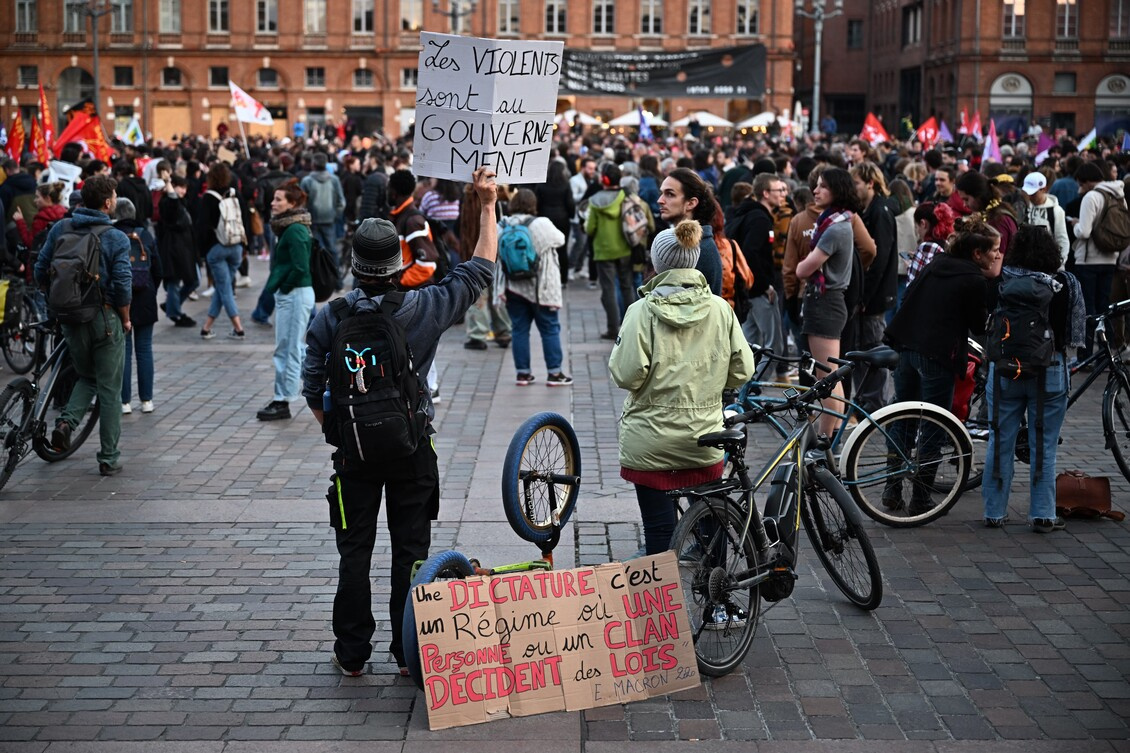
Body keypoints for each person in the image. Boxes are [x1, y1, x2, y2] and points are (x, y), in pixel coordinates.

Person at [301, 167, 499, 678]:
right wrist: (488, 203)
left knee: (354, 553)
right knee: (411, 552)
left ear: (354, 264)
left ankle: (351, 654)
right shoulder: (425, 307)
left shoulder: (330, 315)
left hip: (353, 454)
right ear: (399, 262)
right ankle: (408, 654)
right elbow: (480, 268)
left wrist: (336, 429)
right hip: (413, 447)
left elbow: (310, 386)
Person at [609, 219, 754, 563]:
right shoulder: (720, 309)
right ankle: (719, 602)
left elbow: (627, 375)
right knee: (713, 520)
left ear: (657, 264)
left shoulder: (641, 311)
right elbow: (743, 370)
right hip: (703, 437)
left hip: (650, 439)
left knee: (658, 531)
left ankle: (660, 609)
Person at [883, 218, 998, 514]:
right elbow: (978, 324)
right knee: (935, 422)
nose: (998, 255)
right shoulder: (973, 279)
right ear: (976, 253)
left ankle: (891, 488)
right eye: (994, 250)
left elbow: (910, 297)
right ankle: (921, 496)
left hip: (906, 345)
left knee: (903, 417)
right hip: (936, 355)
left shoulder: (938, 264)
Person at [982, 224, 1085, 532]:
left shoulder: (1001, 280)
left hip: (1004, 370)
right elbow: (1074, 334)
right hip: (1049, 370)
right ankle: (1042, 514)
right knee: (1045, 445)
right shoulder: (1065, 283)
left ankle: (993, 511)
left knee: (999, 441)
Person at [33, 174, 132, 477]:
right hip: (104, 319)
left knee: (86, 374)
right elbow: (123, 284)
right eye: (113, 196)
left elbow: (40, 268)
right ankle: (109, 457)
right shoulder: (116, 237)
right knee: (110, 389)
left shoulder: (62, 227)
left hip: (70, 318)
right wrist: (125, 317)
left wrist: (56, 301)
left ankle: (66, 423)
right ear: (106, 202)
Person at [795, 167, 862, 437]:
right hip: (828, 302)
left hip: (825, 303)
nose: (815, 190)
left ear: (837, 190)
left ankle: (824, 437)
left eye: (822, 186)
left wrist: (803, 264)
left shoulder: (836, 228)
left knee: (827, 378)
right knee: (831, 375)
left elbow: (803, 270)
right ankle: (830, 434)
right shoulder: (836, 222)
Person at [498, 189, 571, 386]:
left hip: (513, 286)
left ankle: (523, 373)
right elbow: (561, 239)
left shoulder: (502, 225)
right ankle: (554, 373)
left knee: (519, 329)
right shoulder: (541, 224)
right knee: (549, 328)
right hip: (541, 287)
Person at [257, 180, 315, 422]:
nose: (273, 202)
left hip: (295, 294)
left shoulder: (295, 230)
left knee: (287, 349)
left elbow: (301, 267)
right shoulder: (289, 228)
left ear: (292, 203)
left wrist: (285, 286)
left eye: (279, 199)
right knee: (293, 348)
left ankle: (283, 400)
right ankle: (322, 380)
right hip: (291, 294)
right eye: (274, 198)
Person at [850, 161, 900, 414]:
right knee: (863, 348)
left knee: (871, 348)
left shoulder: (880, 211)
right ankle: (866, 401)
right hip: (869, 294)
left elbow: (879, 259)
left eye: (856, 182)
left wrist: (865, 296)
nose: (853, 187)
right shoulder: (870, 209)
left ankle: (876, 404)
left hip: (875, 295)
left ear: (870, 183)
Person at [1070, 161, 1125, 361]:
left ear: (1085, 181)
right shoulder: (1118, 195)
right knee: (1105, 307)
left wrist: (1075, 224)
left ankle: (1085, 355)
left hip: (1088, 261)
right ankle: (1106, 353)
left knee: (1087, 308)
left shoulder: (1091, 197)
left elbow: (1083, 231)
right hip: (1111, 258)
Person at [726, 173, 786, 353]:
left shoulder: (747, 214)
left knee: (750, 344)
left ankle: (748, 381)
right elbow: (751, 254)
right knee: (773, 348)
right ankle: (759, 380)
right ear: (766, 193)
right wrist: (764, 285)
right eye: (779, 190)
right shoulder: (759, 219)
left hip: (746, 290)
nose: (783, 194)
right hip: (758, 291)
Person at [114, 198, 163, 415]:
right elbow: (158, 269)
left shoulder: (111, 235)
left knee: (123, 351)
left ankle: (124, 401)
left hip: (119, 298)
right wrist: (150, 287)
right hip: (145, 296)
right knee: (144, 349)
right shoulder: (144, 234)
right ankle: (147, 400)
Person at [585, 163, 636, 340]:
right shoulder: (626, 196)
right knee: (627, 286)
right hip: (625, 248)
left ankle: (613, 328)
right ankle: (630, 326)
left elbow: (590, 229)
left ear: (604, 179)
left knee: (608, 290)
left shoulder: (595, 200)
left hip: (603, 251)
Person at [197, 161, 246, 340]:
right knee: (223, 286)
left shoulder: (208, 198)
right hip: (236, 247)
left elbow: (202, 227)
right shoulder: (235, 194)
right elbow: (244, 220)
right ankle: (206, 327)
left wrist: (203, 251)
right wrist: (244, 246)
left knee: (224, 288)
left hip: (217, 249)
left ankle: (239, 328)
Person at [460, 183, 511, 351]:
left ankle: (477, 334)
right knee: (496, 291)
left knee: (478, 292)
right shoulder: (497, 193)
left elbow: (463, 227)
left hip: (475, 250)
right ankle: (503, 330)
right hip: (494, 249)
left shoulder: (469, 196)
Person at [657, 167, 724, 296]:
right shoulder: (677, 242)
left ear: (691, 203)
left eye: (670, 194)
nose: (660, 200)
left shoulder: (701, 249)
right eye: (662, 193)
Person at [156, 174, 198, 327]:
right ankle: (175, 312)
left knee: (193, 281)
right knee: (174, 281)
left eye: (185, 187)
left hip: (185, 249)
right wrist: (168, 184)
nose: (183, 191)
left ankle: (171, 306)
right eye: (180, 187)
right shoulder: (168, 203)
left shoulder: (182, 203)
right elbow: (173, 202)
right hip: (173, 249)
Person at [300, 152, 347, 287]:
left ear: (313, 164)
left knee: (312, 252)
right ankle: (337, 282)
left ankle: (316, 282)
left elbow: (302, 204)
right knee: (332, 251)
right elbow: (341, 202)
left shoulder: (307, 181)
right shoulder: (334, 179)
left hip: (312, 221)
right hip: (329, 221)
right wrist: (335, 216)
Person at [956, 170, 1019, 257]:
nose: (964, 204)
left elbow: (994, 269)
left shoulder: (998, 220)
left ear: (979, 196)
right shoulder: (990, 215)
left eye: (966, 199)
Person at [534, 160, 576, 285]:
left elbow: (538, 202)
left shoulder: (542, 185)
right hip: (562, 218)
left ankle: (545, 276)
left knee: (545, 249)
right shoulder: (565, 184)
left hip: (545, 218)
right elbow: (570, 203)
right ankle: (563, 278)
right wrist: (571, 215)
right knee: (562, 249)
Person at [906, 201, 957, 283]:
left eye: (916, 226)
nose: (917, 231)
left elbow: (912, 285)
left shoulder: (926, 248)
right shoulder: (947, 244)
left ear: (923, 223)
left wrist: (910, 266)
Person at [13, 181, 67, 250]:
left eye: (37, 197)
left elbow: (31, 243)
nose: (35, 200)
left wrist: (20, 221)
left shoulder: (41, 219)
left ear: (48, 198)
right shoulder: (64, 213)